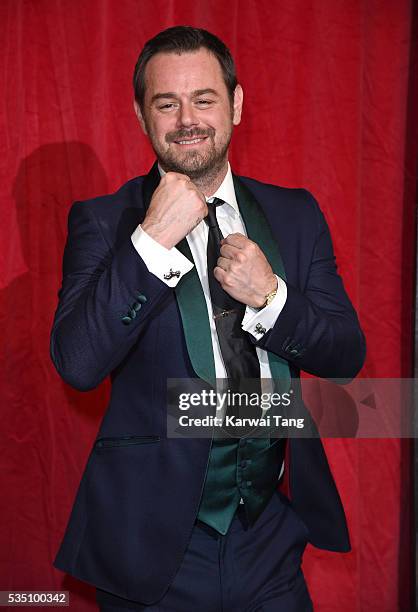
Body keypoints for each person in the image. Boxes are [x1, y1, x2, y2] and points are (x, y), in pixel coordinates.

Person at [50, 26, 366, 611]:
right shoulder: (104, 222)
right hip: (153, 547)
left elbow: (347, 354)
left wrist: (272, 296)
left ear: (237, 104)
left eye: (204, 99)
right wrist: (151, 240)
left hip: (271, 535)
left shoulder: (295, 214)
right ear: (142, 116)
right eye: (166, 103)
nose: (186, 119)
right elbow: (78, 362)